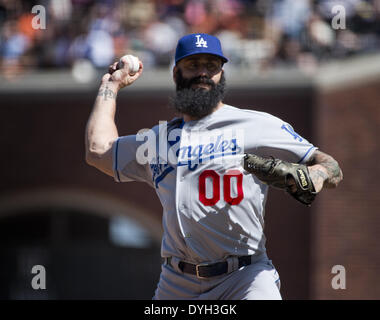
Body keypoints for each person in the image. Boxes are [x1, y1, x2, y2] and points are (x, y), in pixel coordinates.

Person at [85, 33, 343, 300]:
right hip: (177, 282)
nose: (203, 73)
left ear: (222, 72)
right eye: (193, 65)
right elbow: (97, 151)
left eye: (212, 66)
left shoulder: (257, 125)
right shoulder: (158, 140)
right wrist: (110, 86)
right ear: (176, 74)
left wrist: (317, 174)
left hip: (245, 277)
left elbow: (331, 166)